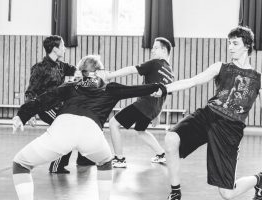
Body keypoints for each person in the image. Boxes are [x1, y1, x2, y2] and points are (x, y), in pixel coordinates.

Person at [152, 26, 262, 200]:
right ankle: (175, 193)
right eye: (229, 43)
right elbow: (192, 81)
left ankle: (260, 179)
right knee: (171, 139)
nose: (230, 47)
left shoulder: (260, 78)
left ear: (247, 45)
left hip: (230, 128)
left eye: (235, 43)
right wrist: (164, 88)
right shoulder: (220, 67)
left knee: (227, 194)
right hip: (208, 115)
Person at [12, 55, 167, 200]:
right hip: (91, 133)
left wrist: (21, 115)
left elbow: (43, 99)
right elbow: (136, 89)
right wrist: (159, 87)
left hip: (62, 129)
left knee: (21, 164)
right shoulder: (110, 88)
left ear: (81, 71)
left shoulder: (70, 86)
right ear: (100, 71)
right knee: (105, 162)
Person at [24, 35, 94, 174]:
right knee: (67, 128)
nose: (65, 48)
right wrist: (29, 113)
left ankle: (83, 159)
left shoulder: (61, 66)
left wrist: (93, 72)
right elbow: (31, 91)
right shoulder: (39, 68)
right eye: (62, 46)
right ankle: (56, 166)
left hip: (58, 105)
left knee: (79, 124)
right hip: (45, 107)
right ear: (55, 49)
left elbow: (78, 71)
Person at [102, 37, 174, 168]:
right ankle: (161, 154)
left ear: (164, 50)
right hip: (154, 108)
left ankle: (119, 158)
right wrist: (158, 113)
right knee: (141, 129)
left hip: (144, 104)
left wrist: (110, 76)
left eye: (155, 48)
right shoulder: (170, 72)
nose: (152, 50)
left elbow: (131, 69)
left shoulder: (155, 63)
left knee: (113, 124)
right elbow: (168, 95)